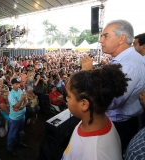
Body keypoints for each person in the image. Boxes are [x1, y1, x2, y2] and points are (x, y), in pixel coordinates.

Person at [81, 19, 145, 151]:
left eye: (106, 36)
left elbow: (109, 101)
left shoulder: (128, 65)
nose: (101, 40)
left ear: (122, 38)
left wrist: (89, 74)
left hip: (119, 125)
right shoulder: (126, 60)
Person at [61, 64, 129, 160]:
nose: (66, 99)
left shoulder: (95, 155)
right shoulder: (92, 120)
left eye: (68, 96)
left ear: (84, 104)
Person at [7, 78, 28, 156]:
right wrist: (21, 100)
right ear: (12, 85)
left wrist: (23, 106)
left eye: (19, 84)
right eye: (16, 84)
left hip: (22, 116)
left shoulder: (20, 90)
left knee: (19, 131)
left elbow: (26, 100)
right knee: (12, 133)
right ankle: (9, 148)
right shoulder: (11, 94)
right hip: (15, 118)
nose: (18, 85)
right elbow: (15, 106)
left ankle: (19, 142)